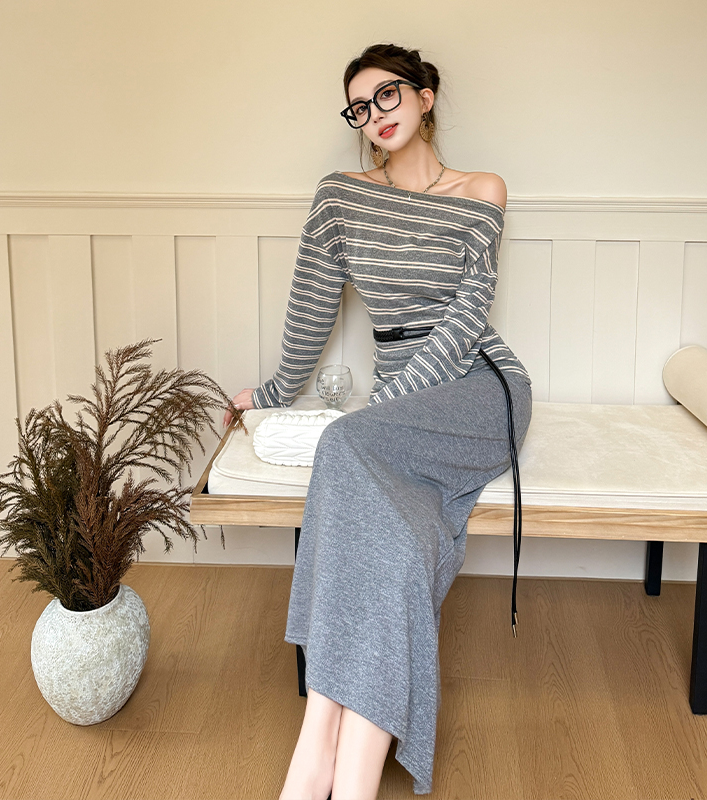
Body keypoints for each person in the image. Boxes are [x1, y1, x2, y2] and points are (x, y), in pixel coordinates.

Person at [222, 43, 532, 799]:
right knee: (401, 540)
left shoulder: (483, 189)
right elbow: (310, 308)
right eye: (360, 107)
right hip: (403, 402)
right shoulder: (341, 197)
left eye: (388, 95)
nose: (375, 115)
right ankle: (344, 769)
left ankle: (313, 757)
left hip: (481, 387)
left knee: (346, 440)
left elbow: (468, 317)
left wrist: (389, 407)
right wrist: (272, 393)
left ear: (426, 96)